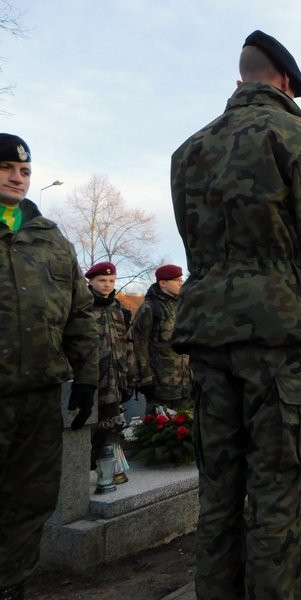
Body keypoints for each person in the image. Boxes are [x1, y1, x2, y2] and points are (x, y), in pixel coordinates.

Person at [170, 31, 301, 600]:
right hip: (277, 341)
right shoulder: (299, 137)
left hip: (209, 336)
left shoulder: (187, 151)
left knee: (219, 492)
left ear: (241, 79)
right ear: (284, 81)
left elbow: (195, 245)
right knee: (278, 492)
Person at [0, 134, 99, 600]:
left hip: (38, 397)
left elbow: (79, 314)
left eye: (24, 171)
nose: (18, 177)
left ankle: (11, 584)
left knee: (31, 498)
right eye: (6, 169)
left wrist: (87, 378)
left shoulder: (51, 238)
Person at [85, 261, 136, 469]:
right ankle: (84, 471)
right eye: (102, 280)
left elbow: (129, 343)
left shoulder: (119, 308)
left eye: (111, 280)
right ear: (91, 281)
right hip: (91, 378)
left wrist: (131, 374)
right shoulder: (82, 306)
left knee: (111, 428)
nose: (107, 285)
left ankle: (108, 470)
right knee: (89, 427)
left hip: (116, 377)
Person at [131, 264, 191, 409]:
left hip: (185, 383)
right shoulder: (149, 307)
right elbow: (139, 344)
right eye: (176, 280)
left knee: (186, 427)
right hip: (161, 383)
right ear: (163, 283)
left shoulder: (183, 305)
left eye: (181, 280)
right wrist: (145, 379)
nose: (180, 283)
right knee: (159, 427)